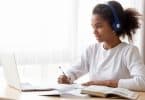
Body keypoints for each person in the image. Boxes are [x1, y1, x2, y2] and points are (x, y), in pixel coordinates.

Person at [58, 1, 145, 91]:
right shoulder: (92, 50)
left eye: (98, 26)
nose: (94, 31)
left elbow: (143, 82)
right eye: (93, 27)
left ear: (115, 26)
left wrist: (107, 83)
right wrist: (67, 77)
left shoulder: (129, 51)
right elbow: (74, 71)